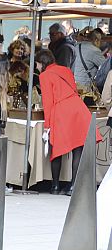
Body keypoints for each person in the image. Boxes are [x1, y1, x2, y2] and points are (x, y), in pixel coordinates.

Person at [37, 49, 102, 195]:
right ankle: (73, 186)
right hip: (78, 108)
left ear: (41, 63)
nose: (36, 67)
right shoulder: (65, 70)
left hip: (61, 110)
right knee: (78, 148)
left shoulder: (44, 75)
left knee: (56, 148)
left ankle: (55, 187)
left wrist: (47, 126)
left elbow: (48, 102)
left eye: (37, 64)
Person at [74, 28, 106, 104]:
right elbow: (105, 67)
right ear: (96, 40)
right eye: (100, 41)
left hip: (74, 86)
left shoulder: (76, 46)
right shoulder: (94, 50)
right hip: (86, 90)